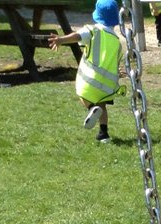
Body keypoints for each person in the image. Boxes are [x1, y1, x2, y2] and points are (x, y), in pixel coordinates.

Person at [48, 0, 123, 145]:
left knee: (82, 94)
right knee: (102, 105)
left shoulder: (93, 30)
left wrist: (61, 40)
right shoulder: (117, 41)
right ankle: (104, 133)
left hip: (89, 79)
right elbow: (116, 63)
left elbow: (77, 36)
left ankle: (91, 108)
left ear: (97, 16)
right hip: (107, 85)